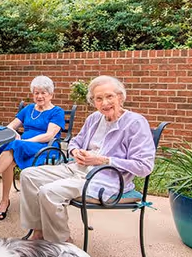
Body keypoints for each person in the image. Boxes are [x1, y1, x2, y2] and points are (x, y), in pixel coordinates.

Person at [19, 75, 156, 243]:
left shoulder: (135, 123)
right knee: (28, 175)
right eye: (99, 98)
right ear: (94, 101)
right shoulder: (94, 118)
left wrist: (103, 160)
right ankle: (39, 232)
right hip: (78, 168)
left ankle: (63, 245)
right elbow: (75, 141)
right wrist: (75, 151)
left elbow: (144, 166)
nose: (104, 103)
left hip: (107, 178)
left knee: (49, 192)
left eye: (109, 96)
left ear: (120, 97)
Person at [0, 76, 65, 220]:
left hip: (44, 147)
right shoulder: (29, 109)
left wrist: (27, 141)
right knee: (10, 155)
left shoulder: (57, 112)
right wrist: (15, 134)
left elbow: (49, 135)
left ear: (51, 94)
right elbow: (10, 127)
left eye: (43, 93)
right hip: (22, 146)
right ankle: (4, 200)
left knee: (13, 148)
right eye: (36, 93)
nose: (39, 96)